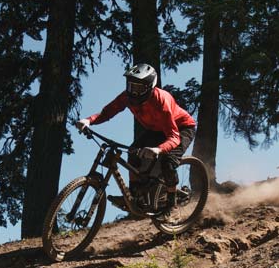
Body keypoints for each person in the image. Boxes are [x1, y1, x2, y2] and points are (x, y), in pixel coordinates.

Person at [78, 63, 197, 209]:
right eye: (131, 86)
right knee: (133, 152)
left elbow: (173, 137)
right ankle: (135, 196)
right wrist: (88, 120)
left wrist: (158, 150)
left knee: (168, 161)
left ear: (149, 87)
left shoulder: (161, 101)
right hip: (157, 129)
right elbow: (107, 112)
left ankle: (171, 203)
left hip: (181, 128)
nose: (133, 91)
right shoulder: (126, 97)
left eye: (139, 88)